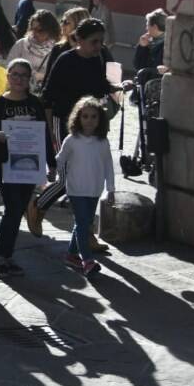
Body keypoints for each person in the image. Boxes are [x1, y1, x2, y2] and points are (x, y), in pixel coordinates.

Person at [31, 18, 123, 241]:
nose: (98, 46)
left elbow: (100, 86)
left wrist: (117, 87)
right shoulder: (66, 60)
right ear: (79, 40)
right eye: (94, 41)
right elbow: (49, 96)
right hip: (64, 123)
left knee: (89, 177)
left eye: (101, 41)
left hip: (91, 124)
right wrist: (52, 133)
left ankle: (85, 234)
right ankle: (38, 206)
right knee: (68, 178)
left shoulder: (97, 59)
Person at [0, 58, 56, 278]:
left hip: (30, 168)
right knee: (13, 209)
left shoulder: (35, 104)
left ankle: (7, 255)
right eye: (15, 74)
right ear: (8, 76)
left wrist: (51, 162)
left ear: (29, 79)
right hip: (6, 167)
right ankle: (1, 255)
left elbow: (44, 134)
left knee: (17, 209)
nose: (19, 79)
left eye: (24, 75)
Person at [57, 97, 115, 278]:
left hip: (95, 190)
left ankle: (70, 254)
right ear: (78, 118)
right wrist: (57, 173)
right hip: (76, 189)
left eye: (94, 117)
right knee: (83, 224)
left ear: (100, 120)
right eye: (85, 116)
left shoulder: (102, 142)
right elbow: (60, 159)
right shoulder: (72, 140)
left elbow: (108, 166)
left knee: (83, 224)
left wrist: (110, 189)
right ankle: (87, 260)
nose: (89, 120)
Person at [6, 9, 59, 94]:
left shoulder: (55, 49)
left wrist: (41, 76)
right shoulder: (22, 44)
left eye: (40, 30)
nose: (35, 33)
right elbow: (8, 67)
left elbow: (55, 77)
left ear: (50, 30)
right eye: (33, 29)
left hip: (38, 94)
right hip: (17, 92)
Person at [133, 8, 168, 72]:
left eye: (147, 25)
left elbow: (140, 66)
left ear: (154, 27)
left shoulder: (166, 46)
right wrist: (141, 47)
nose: (146, 28)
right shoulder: (149, 42)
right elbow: (137, 65)